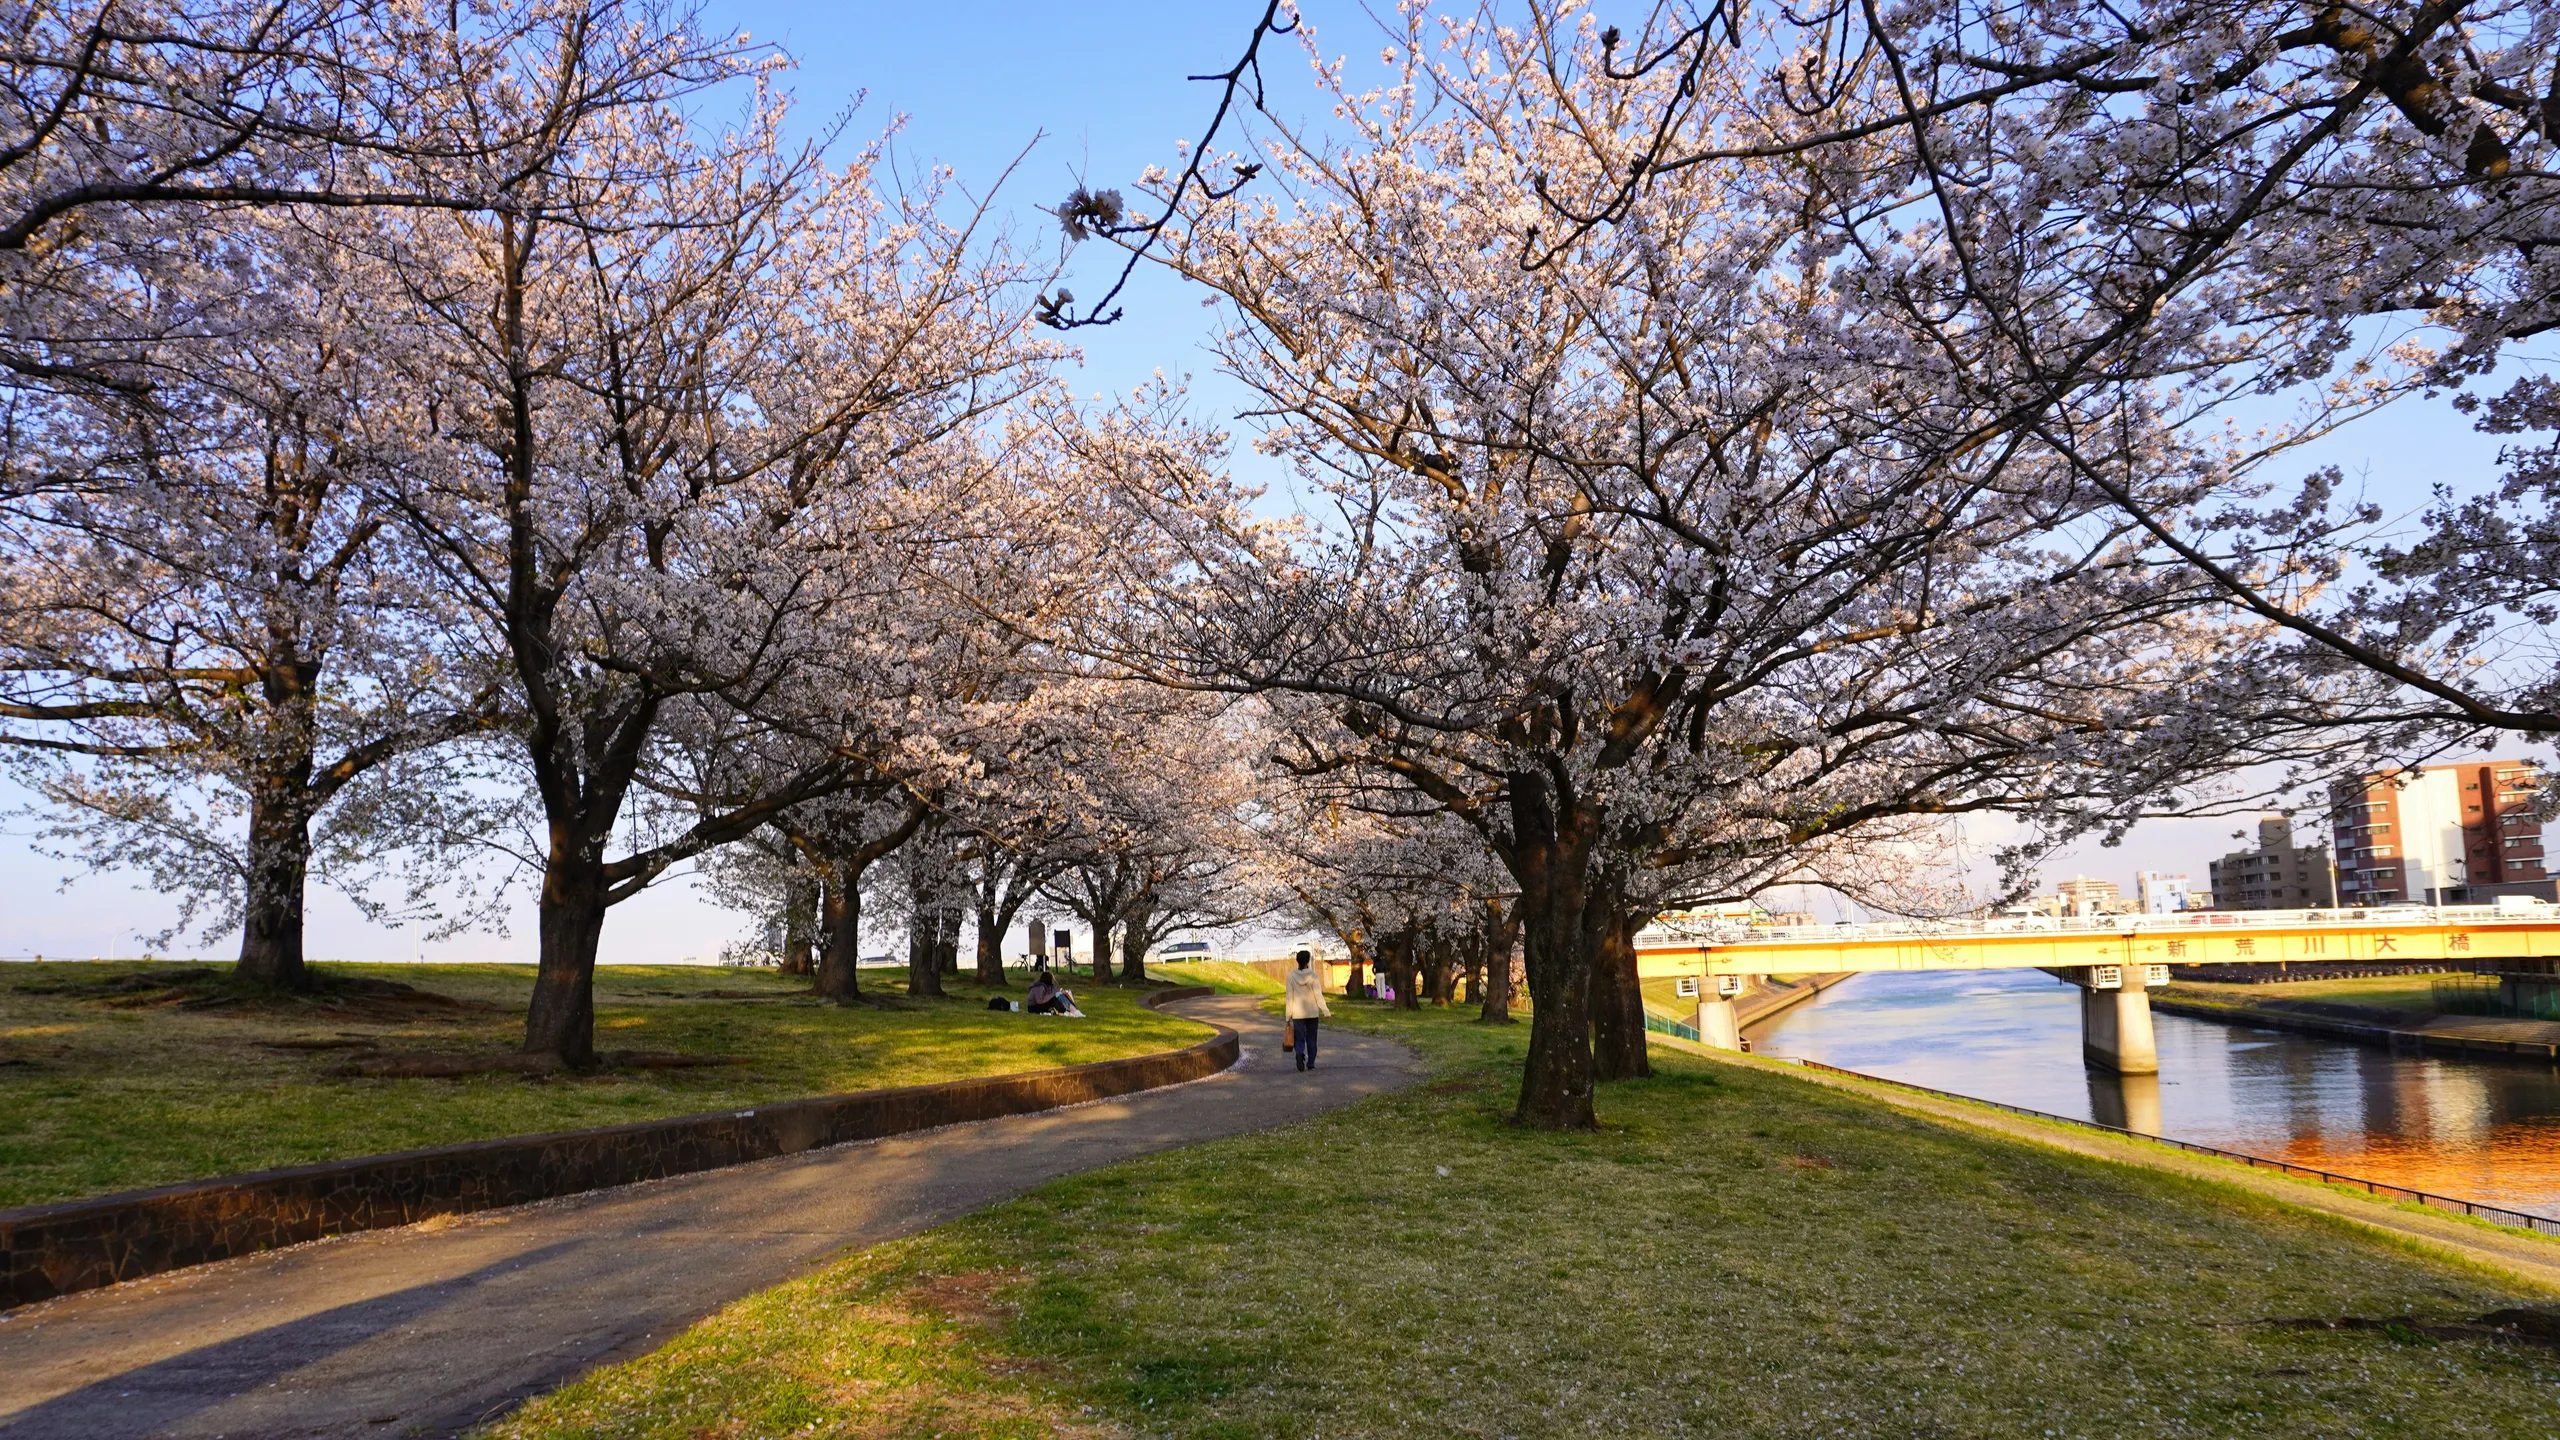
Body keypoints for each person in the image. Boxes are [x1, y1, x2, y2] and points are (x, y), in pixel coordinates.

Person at [1284, 948, 1331, 1071]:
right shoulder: (1313, 976)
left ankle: (1299, 1053)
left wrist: (1288, 1016)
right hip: (1312, 1013)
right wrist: (1325, 1010)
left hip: (1297, 1014)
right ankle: (1311, 1064)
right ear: (1308, 961)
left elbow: (1289, 997)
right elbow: (1318, 995)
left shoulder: (1291, 976)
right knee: (1311, 1039)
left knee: (1299, 1038)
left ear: (1297, 961)